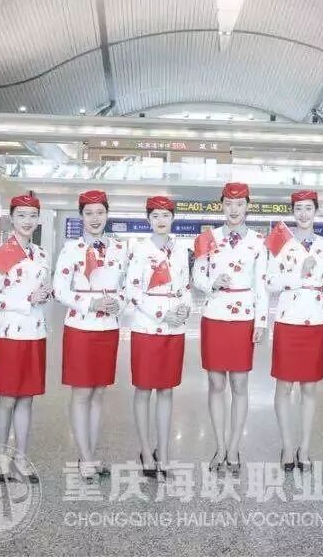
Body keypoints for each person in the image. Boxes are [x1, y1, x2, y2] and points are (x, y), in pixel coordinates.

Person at [192, 182, 269, 474]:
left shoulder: (259, 241)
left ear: (247, 206)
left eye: (239, 204)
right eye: (228, 204)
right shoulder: (207, 238)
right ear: (221, 205)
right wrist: (211, 283)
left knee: (239, 383)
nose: (233, 209)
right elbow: (197, 276)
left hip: (244, 316)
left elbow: (261, 284)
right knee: (216, 383)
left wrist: (261, 321)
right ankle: (220, 446)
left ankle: (234, 446)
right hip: (214, 314)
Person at [53, 189, 128, 480]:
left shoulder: (120, 248)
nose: (95, 218)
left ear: (107, 214)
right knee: (82, 392)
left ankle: (91, 454)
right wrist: (91, 303)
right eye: (89, 213)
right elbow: (59, 290)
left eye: (100, 212)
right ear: (81, 216)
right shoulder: (71, 249)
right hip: (81, 328)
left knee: (99, 392)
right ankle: (84, 457)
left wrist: (118, 303)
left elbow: (127, 286)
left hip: (108, 328)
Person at [264, 190, 323, 471]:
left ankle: (304, 447)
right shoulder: (281, 241)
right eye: (298, 208)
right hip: (288, 320)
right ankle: (287, 445)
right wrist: (299, 274)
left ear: (316, 211)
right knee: (284, 387)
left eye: (308, 208)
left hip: (316, 322)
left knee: (309, 388)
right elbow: (269, 281)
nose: (303, 214)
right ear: (292, 211)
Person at [0, 192, 52, 483]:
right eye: (21, 215)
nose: (27, 221)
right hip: (10, 333)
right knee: (8, 398)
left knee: (27, 399)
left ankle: (22, 458)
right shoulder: (1, 252)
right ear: (11, 218)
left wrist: (46, 294)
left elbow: (42, 289)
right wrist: (27, 299)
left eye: (32, 216)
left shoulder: (41, 253)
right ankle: (1, 458)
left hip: (36, 332)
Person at [123, 196, 191, 477]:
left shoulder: (181, 250)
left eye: (165, 215)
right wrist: (162, 314)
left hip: (175, 329)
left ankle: (163, 453)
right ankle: (144, 449)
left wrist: (185, 308)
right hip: (147, 327)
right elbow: (132, 290)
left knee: (167, 390)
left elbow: (185, 287)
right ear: (148, 219)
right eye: (155, 216)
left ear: (173, 218)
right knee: (143, 389)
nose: (161, 220)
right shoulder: (140, 250)